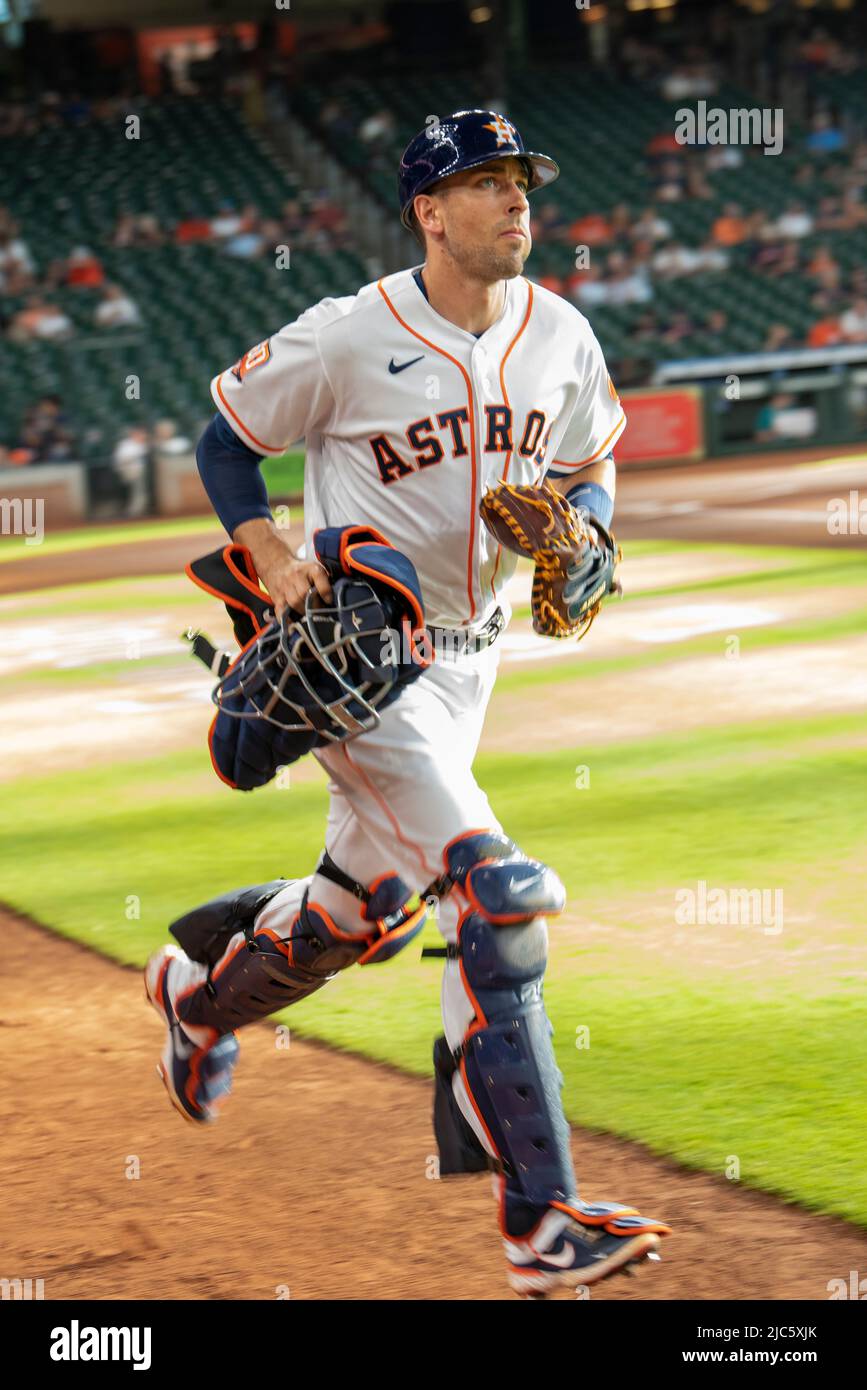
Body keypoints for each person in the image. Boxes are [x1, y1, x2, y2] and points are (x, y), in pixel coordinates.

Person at [144, 108, 669, 1298]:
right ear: (429, 211)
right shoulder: (345, 337)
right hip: (364, 662)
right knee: (499, 893)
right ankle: (540, 1225)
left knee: (361, 909)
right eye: (484, 183)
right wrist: (266, 546)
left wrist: (591, 529)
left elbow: (592, 459)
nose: (516, 201)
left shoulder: (562, 333)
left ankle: (196, 997)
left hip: (476, 662)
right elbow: (226, 440)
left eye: (522, 180)